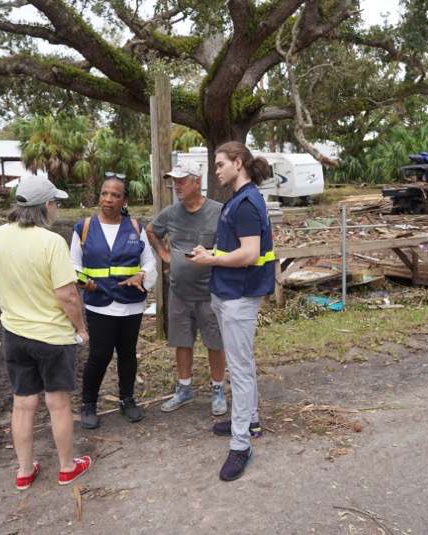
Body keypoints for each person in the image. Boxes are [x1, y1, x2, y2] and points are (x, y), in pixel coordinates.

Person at [0, 174, 92, 491]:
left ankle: (24, 471)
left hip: (14, 335)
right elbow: (68, 295)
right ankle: (68, 467)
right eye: (55, 202)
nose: (56, 208)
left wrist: (13, 310)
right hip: (52, 338)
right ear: (46, 205)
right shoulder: (51, 242)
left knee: (22, 404)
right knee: (58, 405)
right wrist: (81, 329)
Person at [189, 142, 275, 481]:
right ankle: (249, 422)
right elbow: (234, 248)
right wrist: (209, 252)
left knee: (239, 369)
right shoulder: (239, 200)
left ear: (238, 163)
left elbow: (250, 254)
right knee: (243, 363)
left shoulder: (247, 203)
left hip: (239, 296)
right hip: (229, 293)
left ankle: (241, 446)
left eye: (221, 164)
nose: (217, 170)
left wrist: (211, 259)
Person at [71, 175, 156, 429]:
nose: (108, 199)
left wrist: (141, 275)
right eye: (104, 193)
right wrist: (82, 281)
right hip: (99, 302)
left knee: (128, 353)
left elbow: (149, 261)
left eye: (115, 195)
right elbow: (73, 262)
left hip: (131, 303)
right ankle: (88, 404)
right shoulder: (83, 227)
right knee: (99, 355)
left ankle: (127, 400)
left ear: (124, 200)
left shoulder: (135, 228)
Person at [145, 161, 227, 416]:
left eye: (181, 181)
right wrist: (165, 255)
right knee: (182, 341)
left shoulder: (219, 211)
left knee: (215, 342)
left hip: (211, 292)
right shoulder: (170, 213)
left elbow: (232, 245)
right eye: (174, 181)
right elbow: (150, 231)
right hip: (179, 291)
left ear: (197, 182)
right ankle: (184, 388)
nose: (176, 186)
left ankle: (217, 389)